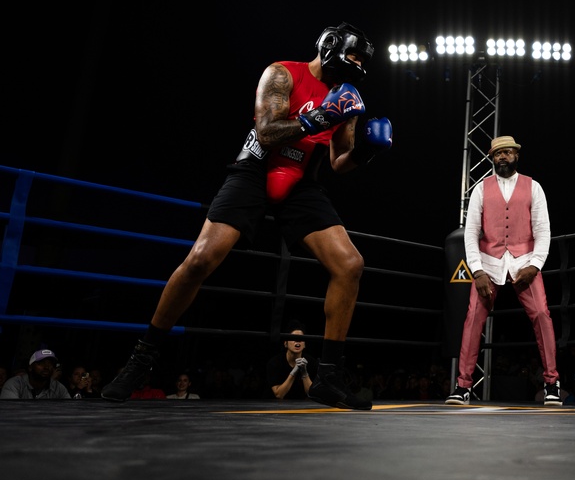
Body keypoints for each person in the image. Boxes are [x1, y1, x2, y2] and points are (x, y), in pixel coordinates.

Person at [101, 22, 392, 410]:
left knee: (350, 264)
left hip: (304, 180)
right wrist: (321, 116)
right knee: (201, 258)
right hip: (255, 169)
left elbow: (338, 162)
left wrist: (366, 151)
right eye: (352, 55)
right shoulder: (283, 73)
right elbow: (268, 131)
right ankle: (140, 361)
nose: (355, 65)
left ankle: (329, 377)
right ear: (332, 47)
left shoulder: (348, 98)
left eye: (361, 61)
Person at [446, 135, 561, 406]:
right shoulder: (480, 189)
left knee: (543, 316)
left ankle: (552, 383)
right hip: (488, 262)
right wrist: (477, 270)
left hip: (525, 262)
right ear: (491, 157)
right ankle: (463, 386)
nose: (502, 157)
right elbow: (471, 232)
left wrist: (535, 265)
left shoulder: (534, 187)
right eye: (497, 153)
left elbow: (543, 231)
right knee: (473, 317)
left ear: (516, 155)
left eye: (507, 152)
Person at [266, 324, 318, 400]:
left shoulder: (312, 362)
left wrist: (304, 372)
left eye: (301, 338)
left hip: (302, 406)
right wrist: (294, 371)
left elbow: (311, 394)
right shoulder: (275, 363)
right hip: (275, 407)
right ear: (285, 343)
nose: (297, 341)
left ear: (305, 345)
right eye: (293, 338)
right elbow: (279, 395)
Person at [1, 349, 71, 399]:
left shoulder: (58, 388)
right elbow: (11, 412)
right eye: (41, 363)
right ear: (30, 367)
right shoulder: (15, 384)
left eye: (50, 364)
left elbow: (69, 411)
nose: (47, 367)